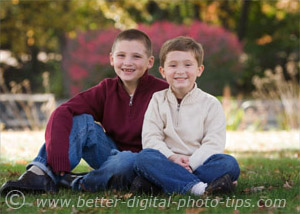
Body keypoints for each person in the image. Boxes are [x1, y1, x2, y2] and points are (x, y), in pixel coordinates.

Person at [0, 29, 168, 194]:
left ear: (150, 62)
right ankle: (39, 174)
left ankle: (78, 182)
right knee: (81, 120)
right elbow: (63, 111)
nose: (127, 62)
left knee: (126, 160)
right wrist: (58, 156)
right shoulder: (106, 89)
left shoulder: (164, 92)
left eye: (136, 57)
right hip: (110, 154)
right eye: (121, 56)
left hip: (146, 160)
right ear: (111, 58)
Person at [133, 36, 240, 196]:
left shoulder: (210, 104)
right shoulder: (157, 100)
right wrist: (173, 158)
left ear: (199, 70)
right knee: (144, 158)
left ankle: (163, 184)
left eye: (188, 65)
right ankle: (200, 188)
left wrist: (191, 163)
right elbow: (151, 138)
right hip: (167, 161)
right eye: (173, 65)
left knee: (229, 164)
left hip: (199, 163)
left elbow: (214, 143)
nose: (180, 71)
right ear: (163, 71)